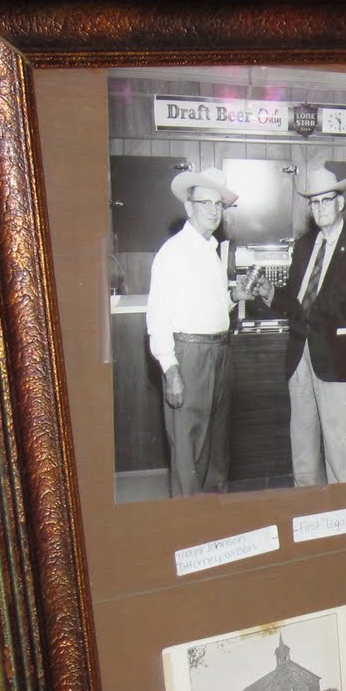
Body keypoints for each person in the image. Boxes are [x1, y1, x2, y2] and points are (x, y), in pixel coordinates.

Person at [146, 167, 259, 496]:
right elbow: (158, 318)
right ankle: (188, 528)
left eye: (219, 204)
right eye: (205, 202)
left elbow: (205, 307)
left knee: (215, 448)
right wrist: (171, 370)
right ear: (189, 206)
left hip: (220, 354)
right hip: (189, 356)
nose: (213, 210)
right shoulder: (173, 253)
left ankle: (212, 520)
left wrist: (233, 297)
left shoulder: (211, 250)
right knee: (188, 450)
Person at [266, 163, 346, 485]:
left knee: (340, 444)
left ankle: (343, 512)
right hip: (300, 355)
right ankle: (309, 508)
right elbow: (295, 302)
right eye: (314, 202)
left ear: (340, 202)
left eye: (326, 200)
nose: (320, 208)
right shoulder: (304, 247)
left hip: (340, 358)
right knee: (302, 443)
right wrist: (268, 292)